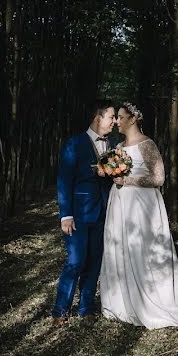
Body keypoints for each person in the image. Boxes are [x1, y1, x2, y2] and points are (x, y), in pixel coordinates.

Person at [100, 102, 178, 329]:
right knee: (122, 247)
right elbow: (112, 170)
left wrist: (127, 180)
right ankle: (124, 302)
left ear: (132, 119)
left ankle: (153, 301)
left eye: (120, 117)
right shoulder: (118, 145)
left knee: (143, 249)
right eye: (115, 117)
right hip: (119, 204)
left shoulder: (147, 144)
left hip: (142, 206)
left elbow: (159, 179)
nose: (116, 121)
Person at [51, 99, 116, 323]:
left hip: (102, 213)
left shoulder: (113, 146)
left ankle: (86, 308)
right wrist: (65, 215)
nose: (114, 122)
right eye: (111, 117)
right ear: (98, 118)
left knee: (95, 261)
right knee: (76, 260)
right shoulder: (75, 143)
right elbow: (64, 180)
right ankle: (60, 310)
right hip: (78, 214)